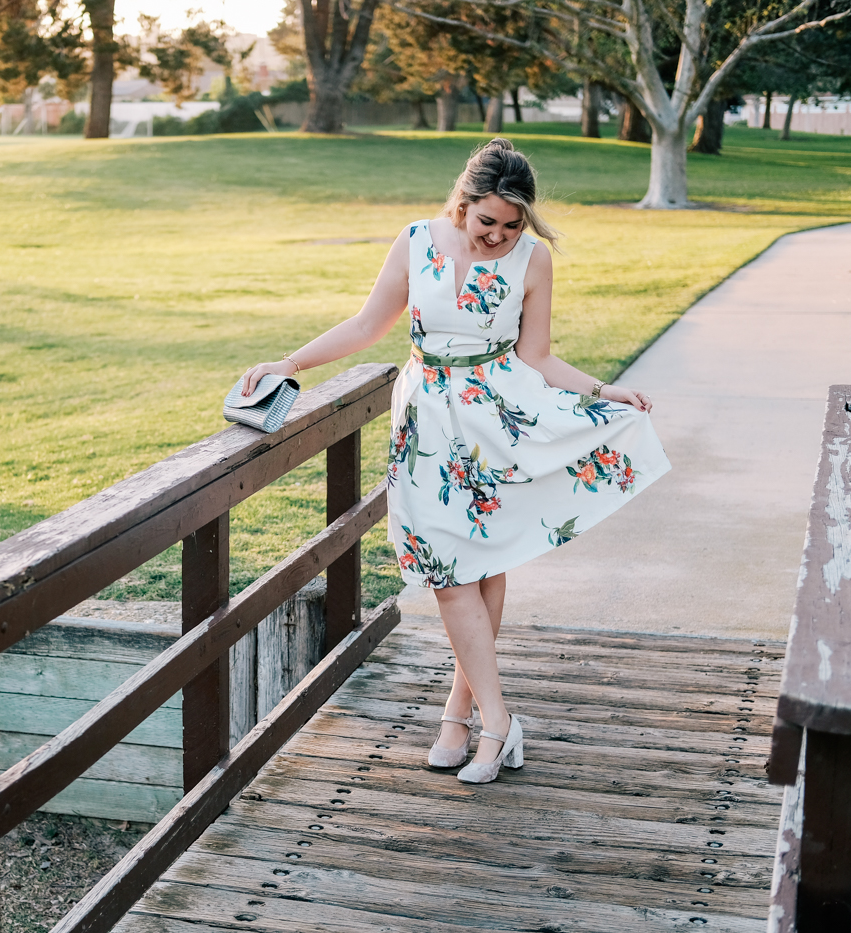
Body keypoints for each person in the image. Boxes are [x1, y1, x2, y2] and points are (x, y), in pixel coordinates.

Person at [239, 138, 670, 784]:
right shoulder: (415, 240)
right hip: (426, 424)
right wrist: (289, 363)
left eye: (512, 224)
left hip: (496, 418)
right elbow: (365, 327)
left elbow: (538, 357)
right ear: (462, 204)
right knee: (448, 569)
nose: (498, 234)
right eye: (487, 220)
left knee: (483, 562)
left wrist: (605, 392)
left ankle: (464, 716)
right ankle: (494, 717)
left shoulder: (534, 260)